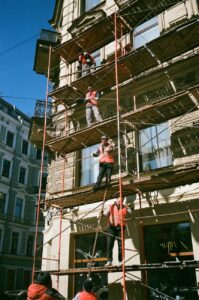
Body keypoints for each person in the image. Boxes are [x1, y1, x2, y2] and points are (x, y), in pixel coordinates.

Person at [103, 198, 133, 267]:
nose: (120, 202)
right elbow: (105, 214)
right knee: (110, 244)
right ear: (116, 201)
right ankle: (109, 261)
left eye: (121, 201)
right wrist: (108, 207)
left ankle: (121, 261)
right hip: (112, 227)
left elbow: (131, 212)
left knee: (121, 245)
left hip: (121, 227)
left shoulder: (124, 207)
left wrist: (127, 206)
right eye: (119, 201)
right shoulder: (111, 206)